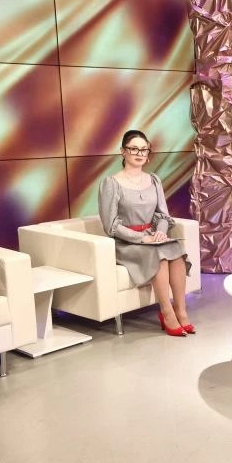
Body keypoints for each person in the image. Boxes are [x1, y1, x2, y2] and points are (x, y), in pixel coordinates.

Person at [99, 130, 194, 337]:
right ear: (123, 151)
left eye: (144, 149)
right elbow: (110, 225)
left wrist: (159, 232)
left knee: (176, 252)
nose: (139, 153)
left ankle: (181, 311)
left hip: (152, 237)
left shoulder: (154, 180)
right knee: (159, 255)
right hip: (126, 242)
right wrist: (143, 238)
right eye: (134, 149)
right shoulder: (111, 183)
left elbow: (163, 215)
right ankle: (167, 313)